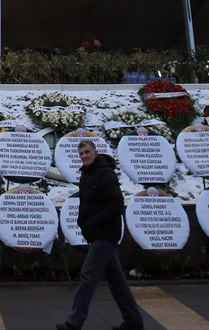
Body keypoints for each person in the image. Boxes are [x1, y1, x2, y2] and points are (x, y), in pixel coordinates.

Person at [57, 139, 143, 330]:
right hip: (96, 234)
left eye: (87, 152)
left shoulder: (105, 174)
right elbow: (86, 202)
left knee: (88, 275)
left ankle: (74, 323)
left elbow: (116, 205)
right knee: (116, 280)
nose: (84, 156)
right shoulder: (86, 174)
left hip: (105, 234)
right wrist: (82, 221)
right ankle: (133, 321)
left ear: (95, 153)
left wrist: (93, 222)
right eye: (81, 154)